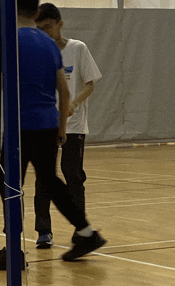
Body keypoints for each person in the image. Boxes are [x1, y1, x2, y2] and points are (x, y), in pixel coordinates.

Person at [0, 0, 106, 269]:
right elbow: (64, 90)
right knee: (50, 181)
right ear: (35, 12)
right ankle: (86, 233)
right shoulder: (49, 44)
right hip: (47, 124)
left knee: (11, 186)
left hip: (19, 126)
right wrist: (60, 130)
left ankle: (13, 250)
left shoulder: (9, 40)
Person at [34, 3, 102, 249]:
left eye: (49, 27)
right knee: (44, 178)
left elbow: (90, 84)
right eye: (40, 28)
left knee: (73, 176)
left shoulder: (78, 48)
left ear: (59, 24)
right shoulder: (39, 50)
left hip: (74, 125)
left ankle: (80, 232)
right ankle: (43, 230)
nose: (45, 32)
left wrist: (73, 103)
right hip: (47, 125)